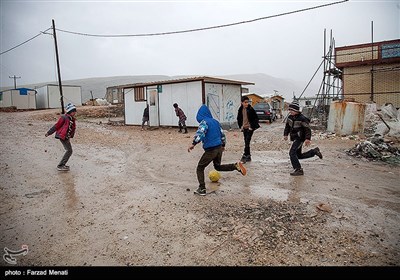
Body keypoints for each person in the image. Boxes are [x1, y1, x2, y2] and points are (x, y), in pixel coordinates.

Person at [188, 104, 247, 196]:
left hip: (211, 149)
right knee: (217, 166)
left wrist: (193, 143)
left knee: (200, 167)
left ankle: (202, 188)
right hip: (219, 147)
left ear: (200, 115)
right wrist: (223, 145)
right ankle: (235, 166)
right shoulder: (215, 122)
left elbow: (201, 133)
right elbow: (222, 134)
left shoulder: (204, 122)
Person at [283, 100, 323, 176]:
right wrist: (285, 134)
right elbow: (287, 126)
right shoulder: (290, 117)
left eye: (291, 110)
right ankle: (314, 151)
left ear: (296, 110)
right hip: (295, 137)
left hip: (300, 138)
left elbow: (307, 129)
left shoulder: (302, 118)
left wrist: (307, 139)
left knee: (292, 153)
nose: (290, 111)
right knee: (298, 156)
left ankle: (298, 169)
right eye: (289, 110)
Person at [45, 102, 77, 171]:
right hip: (62, 136)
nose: (74, 112)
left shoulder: (72, 119)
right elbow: (57, 126)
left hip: (66, 137)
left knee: (69, 150)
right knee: (69, 150)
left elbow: (71, 129)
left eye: (75, 111)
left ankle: (62, 164)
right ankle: (61, 165)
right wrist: (49, 132)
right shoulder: (64, 118)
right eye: (73, 111)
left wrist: (69, 137)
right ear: (69, 111)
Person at [236, 96, 260, 163]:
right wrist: (240, 126)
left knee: (247, 141)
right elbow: (239, 119)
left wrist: (251, 127)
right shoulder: (240, 109)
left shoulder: (250, 109)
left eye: (247, 102)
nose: (246, 104)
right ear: (242, 102)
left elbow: (256, 118)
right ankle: (248, 156)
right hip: (244, 128)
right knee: (246, 141)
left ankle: (245, 155)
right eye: (245, 102)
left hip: (250, 128)